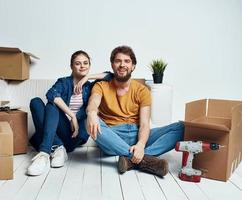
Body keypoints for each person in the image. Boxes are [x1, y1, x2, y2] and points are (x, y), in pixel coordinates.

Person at [86, 46, 184, 177]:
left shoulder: (142, 90)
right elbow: (94, 101)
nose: (122, 65)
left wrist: (141, 144)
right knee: (87, 120)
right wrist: (92, 113)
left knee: (181, 128)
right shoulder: (101, 86)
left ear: (133, 66)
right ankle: (144, 160)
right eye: (118, 61)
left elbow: (144, 124)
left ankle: (131, 159)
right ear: (112, 65)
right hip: (112, 136)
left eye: (127, 61)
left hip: (137, 134)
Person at [27, 50, 112, 176]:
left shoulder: (91, 86)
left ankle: (46, 150)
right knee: (38, 102)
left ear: (89, 66)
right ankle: (54, 149)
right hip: (57, 129)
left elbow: (110, 76)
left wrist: (87, 77)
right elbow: (51, 94)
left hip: (74, 135)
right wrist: (72, 116)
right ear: (71, 66)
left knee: (52, 104)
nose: (82, 66)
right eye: (78, 63)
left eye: (85, 63)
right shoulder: (64, 82)